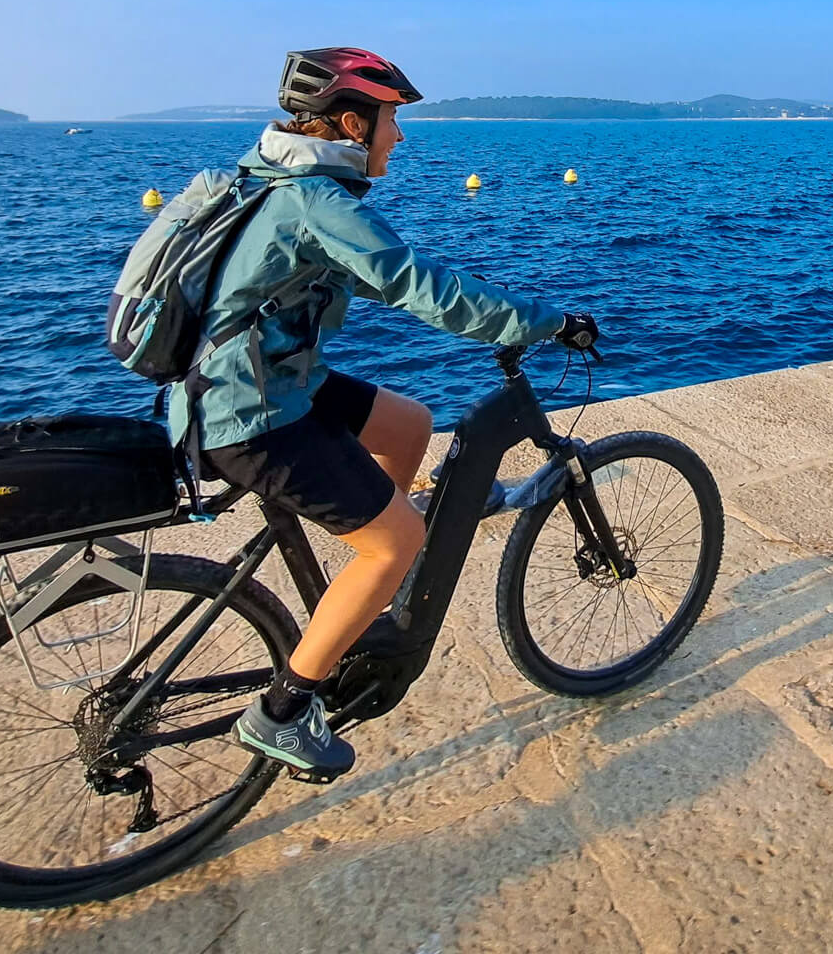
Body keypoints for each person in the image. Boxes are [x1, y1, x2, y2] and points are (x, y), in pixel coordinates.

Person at [173, 47, 597, 778]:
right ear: (349, 122)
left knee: (410, 425)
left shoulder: (266, 182)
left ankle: (366, 576)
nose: (398, 138)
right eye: (391, 121)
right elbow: (418, 286)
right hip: (251, 415)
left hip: (247, 384)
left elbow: (355, 274)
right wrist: (543, 321)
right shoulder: (314, 201)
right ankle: (281, 712)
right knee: (396, 540)